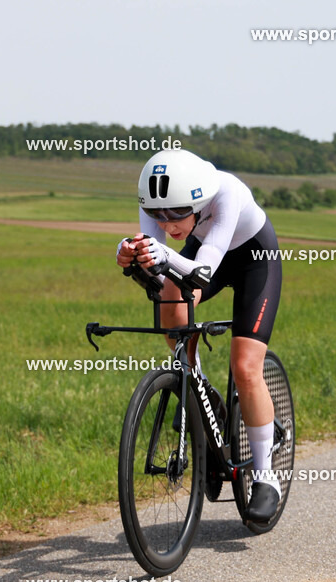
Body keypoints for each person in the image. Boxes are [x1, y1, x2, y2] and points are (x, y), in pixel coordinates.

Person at [116, 149, 283, 522]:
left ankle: (265, 477)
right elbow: (159, 269)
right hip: (203, 253)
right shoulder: (160, 202)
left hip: (253, 260)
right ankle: (202, 392)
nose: (168, 223)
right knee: (171, 308)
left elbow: (204, 270)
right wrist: (130, 256)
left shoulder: (227, 194)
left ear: (199, 200)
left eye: (177, 213)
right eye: (159, 215)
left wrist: (161, 253)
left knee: (245, 366)